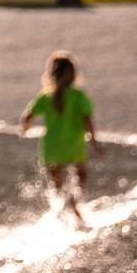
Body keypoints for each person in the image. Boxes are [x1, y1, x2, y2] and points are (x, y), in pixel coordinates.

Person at [20, 51, 102, 226]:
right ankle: (74, 202)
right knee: (80, 174)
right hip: (74, 145)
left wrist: (24, 129)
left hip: (51, 146)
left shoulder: (46, 95)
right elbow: (87, 121)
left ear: (50, 73)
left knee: (56, 185)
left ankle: (63, 210)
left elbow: (27, 116)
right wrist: (94, 143)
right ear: (73, 74)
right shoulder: (78, 96)